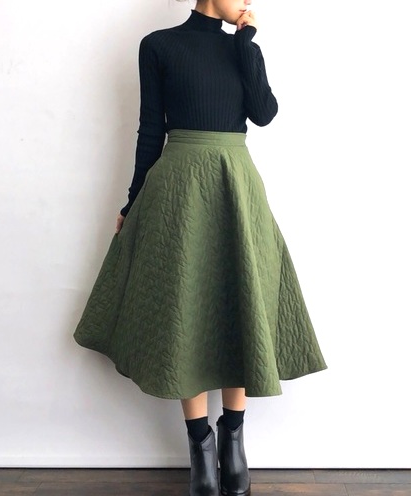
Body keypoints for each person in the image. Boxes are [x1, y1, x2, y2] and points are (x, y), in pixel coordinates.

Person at [74, 0, 327, 494]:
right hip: (178, 192)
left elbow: (265, 114)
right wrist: (133, 200)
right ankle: (201, 450)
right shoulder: (159, 46)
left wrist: (247, 44)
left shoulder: (243, 48)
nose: (249, 2)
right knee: (183, 306)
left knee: (240, 300)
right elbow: (151, 129)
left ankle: (233, 440)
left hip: (237, 188)